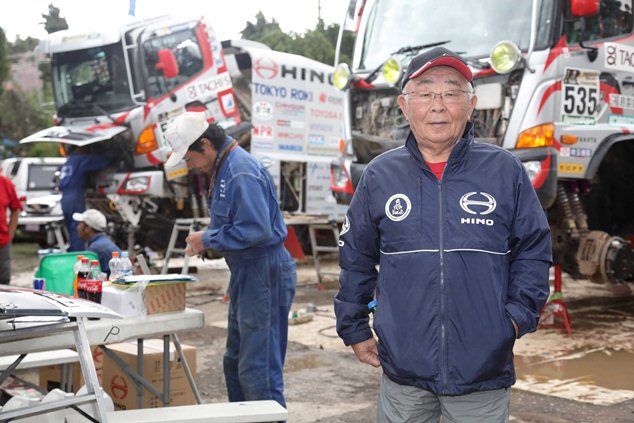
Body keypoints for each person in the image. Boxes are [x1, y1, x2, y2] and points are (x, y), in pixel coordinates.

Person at [334, 47, 552, 422]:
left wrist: (514, 319)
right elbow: (355, 256)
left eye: (452, 93)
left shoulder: (505, 171)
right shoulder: (379, 176)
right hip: (403, 371)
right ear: (404, 105)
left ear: (471, 105)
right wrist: (353, 326)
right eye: (425, 93)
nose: (438, 105)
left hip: (481, 372)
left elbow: (533, 249)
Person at [164, 112, 297, 408]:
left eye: (189, 158)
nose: (189, 165)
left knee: (258, 368)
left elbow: (256, 229)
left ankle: (267, 415)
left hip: (264, 270)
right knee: (235, 361)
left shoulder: (239, 171)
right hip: (247, 272)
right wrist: (209, 237)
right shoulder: (224, 167)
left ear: (206, 145)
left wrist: (207, 239)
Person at [58, 146, 111, 251]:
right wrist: (113, 156)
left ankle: (73, 251)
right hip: (75, 196)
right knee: (77, 228)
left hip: (64, 198)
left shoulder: (69, 161)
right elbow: (101, 161)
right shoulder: (81, 159)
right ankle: (77, 255)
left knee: (71, 227)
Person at [73, 209, 121, 276]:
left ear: (88, 229)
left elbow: (85, 277)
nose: (77, 227)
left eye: (80, 224)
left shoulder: (95, 249)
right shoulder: (104, 242)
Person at [0, 172, 22, 284]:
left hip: (2, 244)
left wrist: (10, 234)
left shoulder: (4, 182)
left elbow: (16, 208)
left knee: (3, 285)